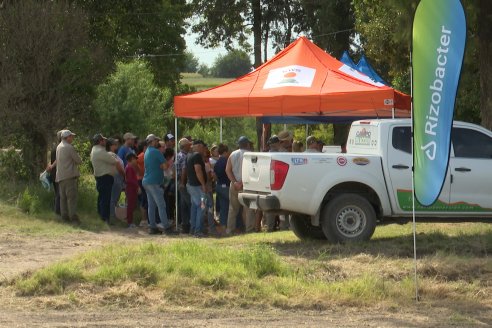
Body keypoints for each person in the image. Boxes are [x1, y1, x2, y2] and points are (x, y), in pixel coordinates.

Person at [142, 134, 176, 235]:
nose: (157, 142)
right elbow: (165, 166)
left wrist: (161, 165)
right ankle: (166, 227)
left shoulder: (147, 152)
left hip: (147, 181)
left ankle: (152, 227)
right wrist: (162, 165)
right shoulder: (156, 152)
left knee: (151, 205)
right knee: (161, 204)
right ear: (152, 142)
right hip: (154, 182)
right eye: (156, 141)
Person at [225, 136, 255, 235]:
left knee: (233, 209)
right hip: (246, 185)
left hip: (234, 185)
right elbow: (252, 171)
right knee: (249, 209)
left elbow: (228, 170)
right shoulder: (250, 154)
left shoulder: (232, 154)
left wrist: (234, 182)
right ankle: (249, 229)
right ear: (247, 144)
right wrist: (242, 182)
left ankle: (230, 230)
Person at [90, 133, 119, 224]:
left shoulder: (95, 150)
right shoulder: (100, 151)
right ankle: (104, 218)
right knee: (106, 198)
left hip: (100, 176)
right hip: (105, 177)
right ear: (100, 141)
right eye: (103, 140)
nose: (105, 142)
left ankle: (101, 216)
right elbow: (114, 161)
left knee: (102, 197)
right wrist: (113, 157)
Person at [55, 130, 82, 224]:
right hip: (70, 176)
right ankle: (74, 218)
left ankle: (64, 217)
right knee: (71, 198)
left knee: (63, 198)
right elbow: (79, 160)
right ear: (67, 137)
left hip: (60, 176)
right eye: (71, 136)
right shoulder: (69, 147)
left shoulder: (58, 147)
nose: (72, 138)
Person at [186, 140, 208, 237]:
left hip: (191, 185)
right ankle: (198, 231)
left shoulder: (189, 155)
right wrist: (203, 184)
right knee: (202, 207)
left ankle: (193, 228)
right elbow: (198, 170)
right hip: (197, 187)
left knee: (194, 207)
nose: (204, 149)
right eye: (203, 147)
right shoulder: (197, 156)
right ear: (199, 146)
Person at [107, 138, 125, 221]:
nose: (117, 146)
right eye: (115, 144)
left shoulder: (114, 154)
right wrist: (124, 174)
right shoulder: (111, 154)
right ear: (111, 146)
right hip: (116, 176)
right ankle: (112, 216)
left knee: (115, 197)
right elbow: (118, 165)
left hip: (118, 177)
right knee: (113, 197)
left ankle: (113, 214)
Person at [176, 137, 192, 233]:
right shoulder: (184, 156)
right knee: (189, 203)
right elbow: (184, 170)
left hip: (180, 181)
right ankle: (190, 224)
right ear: (184, 146)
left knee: (183, 204)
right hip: (184, 182)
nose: (190, 146)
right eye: (188, 144)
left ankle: (184, 225)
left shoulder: (178, 155)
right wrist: (182, 182)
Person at [213, 143, 230, 228]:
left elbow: (214, 175)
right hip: (226, 186)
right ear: (225, 152)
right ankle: (232, 225)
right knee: (232, 206)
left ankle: (223, 224)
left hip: (219, 185)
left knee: (223, 207)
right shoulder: (226, 161)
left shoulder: (217, 162)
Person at [46, 130, 62, 215]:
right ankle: (58, 211)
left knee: (57, 193)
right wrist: (52, 166)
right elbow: (57, 160)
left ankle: (57, 210)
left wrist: (50, 166)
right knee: (59, 194)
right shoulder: (60, 148)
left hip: (53, 173)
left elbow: (51, 161)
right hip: (57, 173)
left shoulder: (54, 148)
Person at [125, 153, 139, 228]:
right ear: (131, 159)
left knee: (132, 205)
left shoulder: (129, 167)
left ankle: (130, 222)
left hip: (132, 188)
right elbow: (130, 180)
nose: (135, 160)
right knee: (130, 206)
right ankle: (129, 222)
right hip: (131, 189)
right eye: (134, 159)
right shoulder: (129, 168)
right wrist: (137, 186)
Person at [136, 140, 148, 227]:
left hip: (142, 179)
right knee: (143, 200)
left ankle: (144, 220)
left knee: (144, 199)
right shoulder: (142, 156)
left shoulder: (141, 155)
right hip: (141, 179)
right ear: (145, 147)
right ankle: (143, 220)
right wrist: (139, 172)